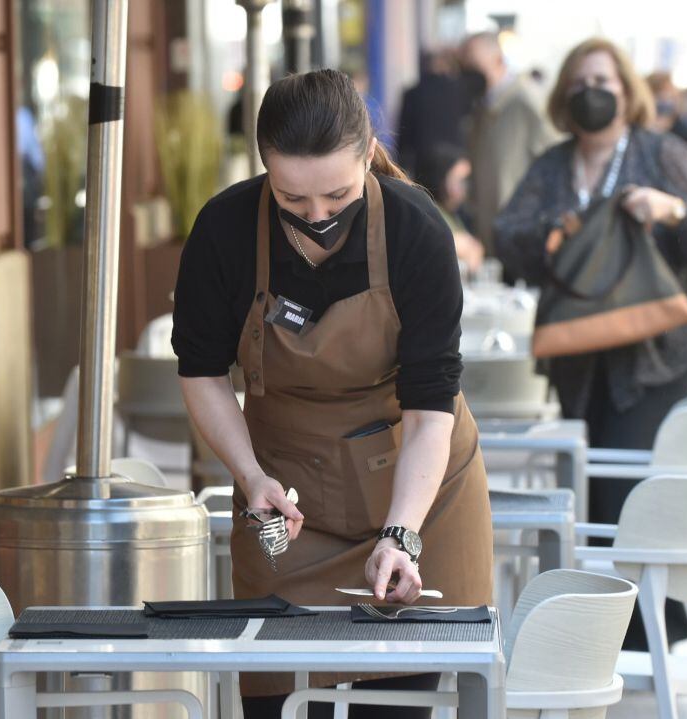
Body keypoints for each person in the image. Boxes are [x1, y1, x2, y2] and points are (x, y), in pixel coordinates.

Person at [171, 68, 493, 719]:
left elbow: (430, 410)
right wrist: (250, 474)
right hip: (284, 497)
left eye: (338, 195)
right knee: (277, 693)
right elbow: (202, 373)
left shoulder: (416, 231)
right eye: (293, 201)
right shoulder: (225, 231)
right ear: (263, 167)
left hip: (418, 483)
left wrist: (401, 534)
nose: (317, 216)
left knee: (397, 698)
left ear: (369, 150)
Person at [494, 38, 687, 646]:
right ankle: (630, 627)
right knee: (592, 486)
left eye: (602, 80)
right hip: (580, 356)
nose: (591, 92)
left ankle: (644, 631)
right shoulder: (554, 166)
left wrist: (672, 211)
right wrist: (552, 234)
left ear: (627, 92)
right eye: (578, 83)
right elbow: (506, 236)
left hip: (659, 353)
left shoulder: (662, 153)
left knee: (622, 488)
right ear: (562, 98)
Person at [460, 31, 556, 253]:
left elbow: (553, 154)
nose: (468, 71)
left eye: (474, 63)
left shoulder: (526, 99)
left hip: (520, 233)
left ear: (498, 60)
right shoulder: (480, 107)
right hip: (489, 228)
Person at [413, 144, 485, 275]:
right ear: (440, 178)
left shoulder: (455, 215)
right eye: (460, 181)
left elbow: (475, 250)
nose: (465, 188)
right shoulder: (427, 214)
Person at [396, 49, 468, 176]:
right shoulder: (459, 90)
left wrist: (402, 165)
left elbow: (404, 132)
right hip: (455, 159)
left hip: (424, 159)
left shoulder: (413, 92)